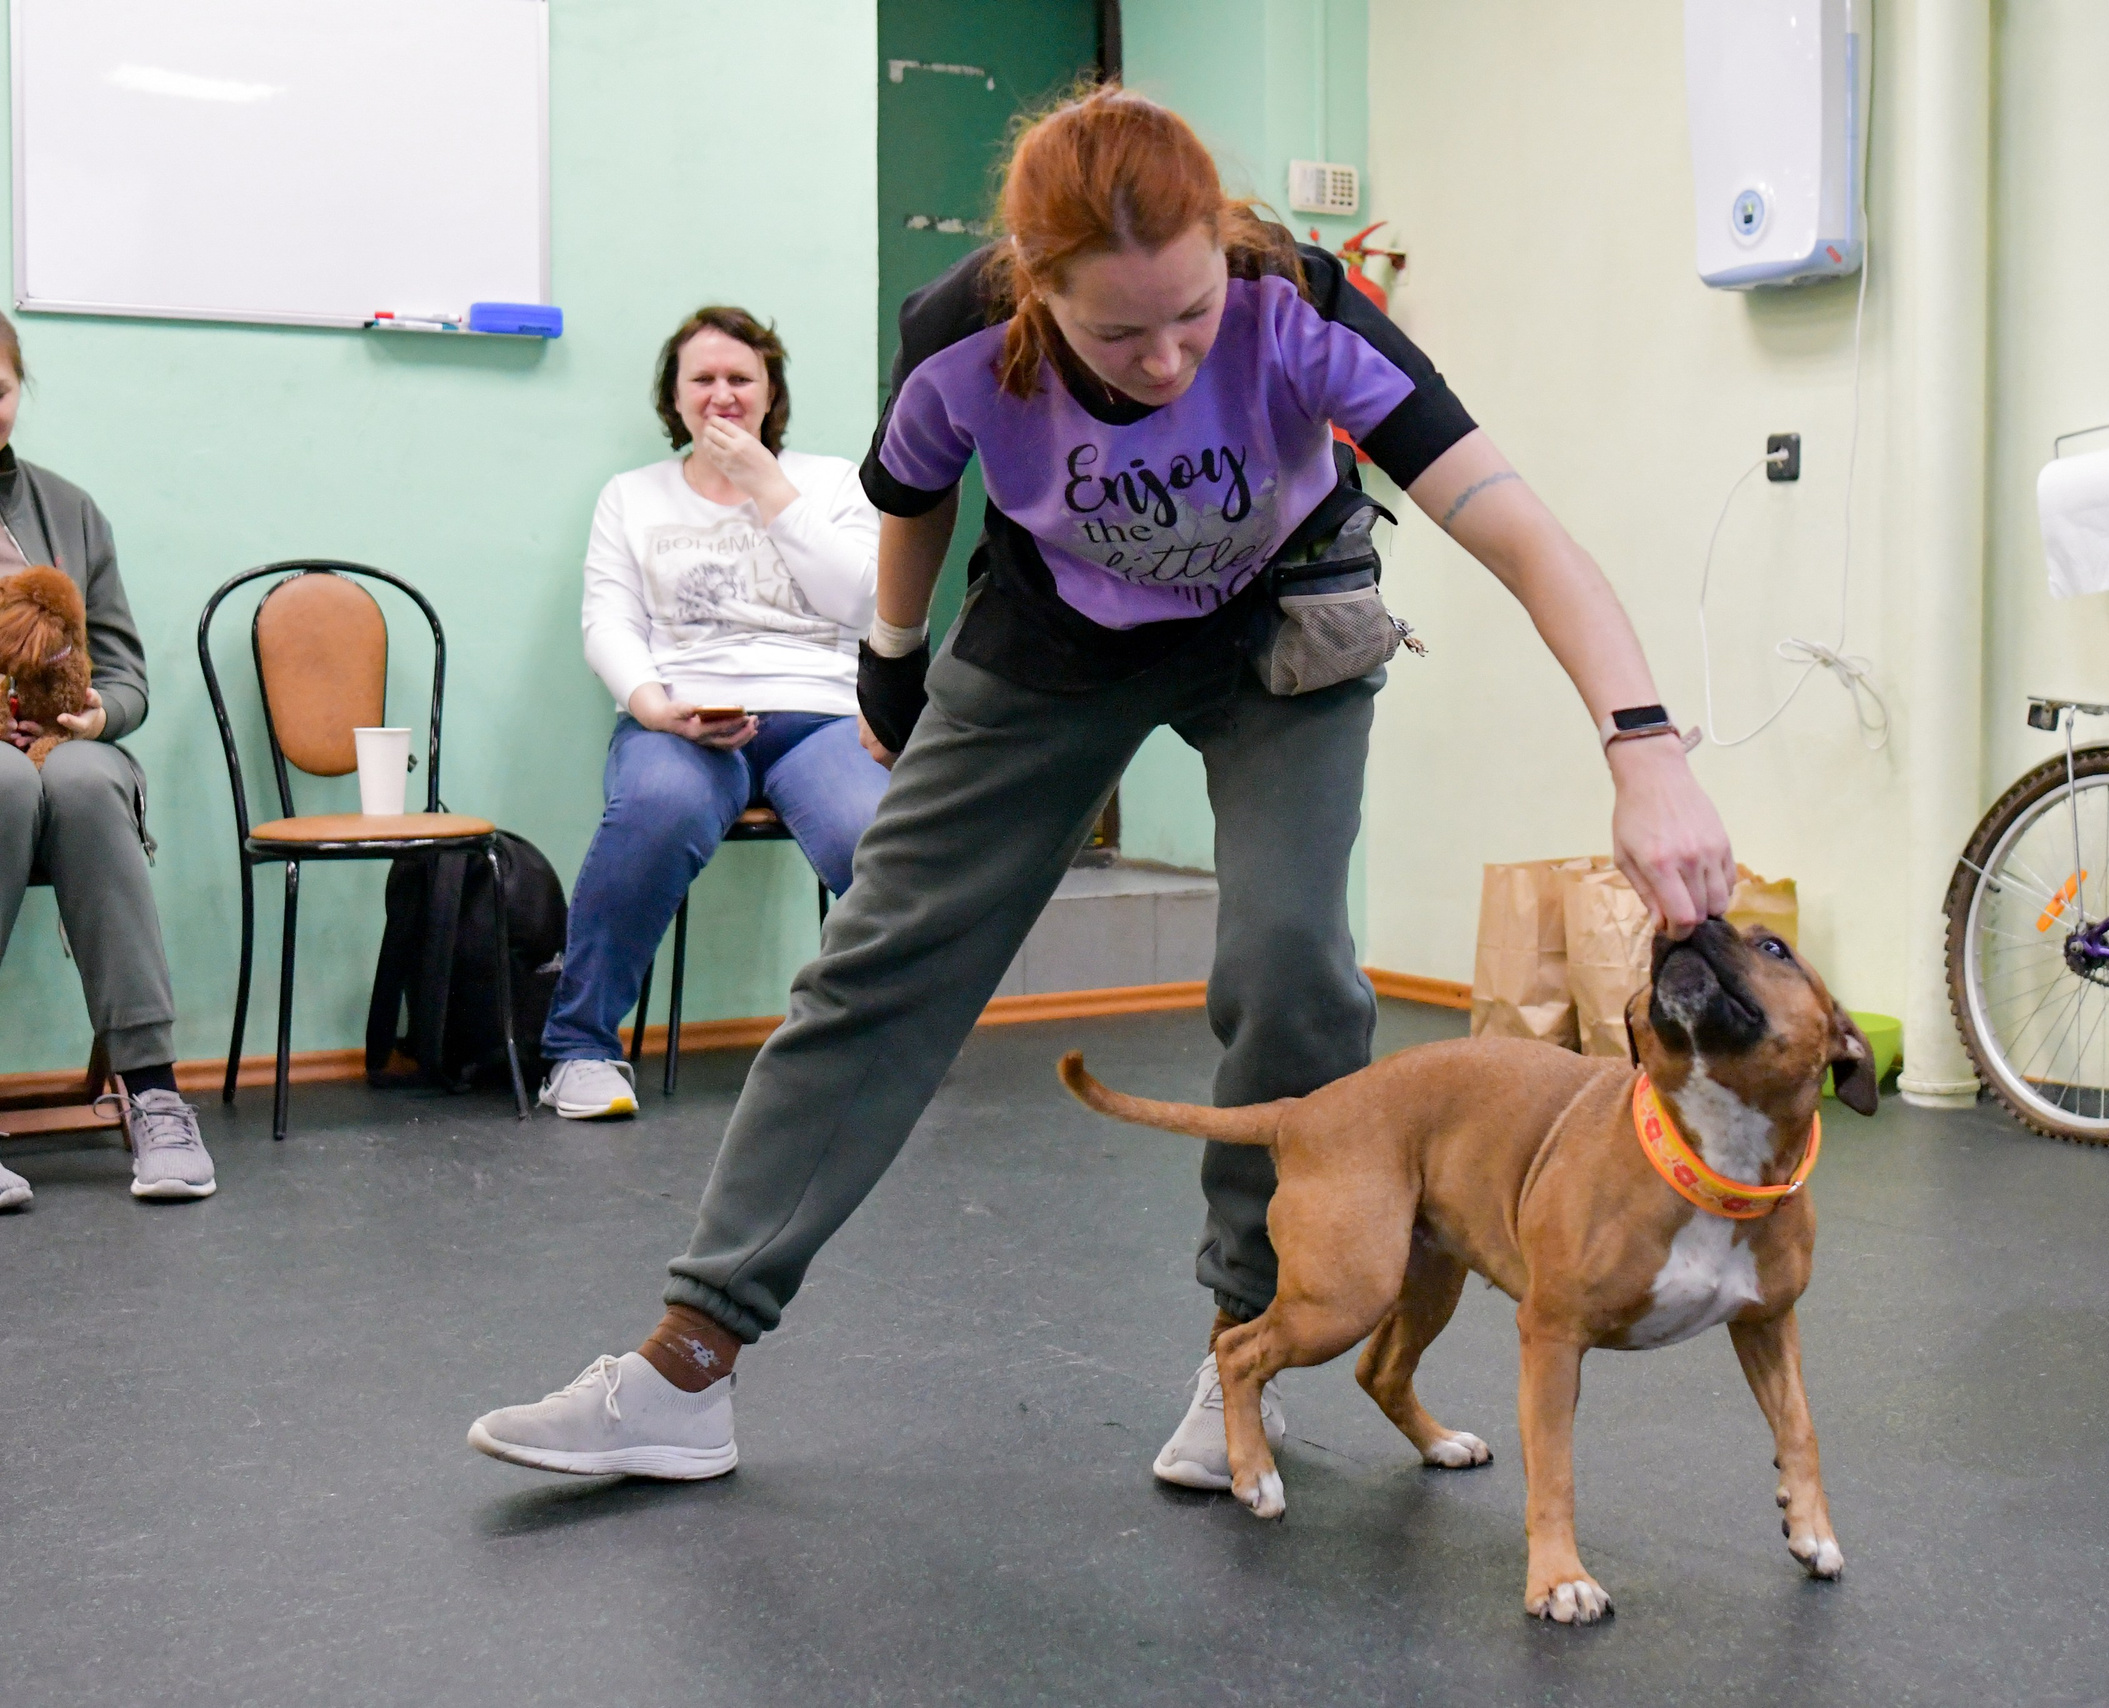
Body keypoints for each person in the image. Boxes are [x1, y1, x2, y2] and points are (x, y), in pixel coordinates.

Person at [469, 89, 1732, 1485]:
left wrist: (1647, 751)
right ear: (1035, 288)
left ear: (1221, 250)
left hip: (1283, 631)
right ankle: (684, 1370)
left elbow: (1522, 531)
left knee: (1295, 967)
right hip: (1052, 644)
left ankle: (1243, 1357)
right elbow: (914, 495)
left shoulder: (1297, 305)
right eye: (1118, 334)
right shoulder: (960, 337)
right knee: (881, 957)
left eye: (1190, 312)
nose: (1170, 358)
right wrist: (893, 656)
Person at [535, 306, 890, 1120]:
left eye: (741, 378)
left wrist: (769, 488)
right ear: (676, 397)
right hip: (682, 716)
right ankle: (580, 1048)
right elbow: (609, 620)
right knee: (657, 808)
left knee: (874, 835)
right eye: (704, 378)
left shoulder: (833, 482)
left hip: (821, 715)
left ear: (770, 393)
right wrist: (654, 707)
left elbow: (864, 601)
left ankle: (875, 1046)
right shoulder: (632, 497)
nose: (722, 394)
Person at [0, 311, 216, 1208]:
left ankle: (154, 1089)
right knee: (5, 782)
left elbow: (126, 679)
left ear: (19, 392)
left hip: (71, 750)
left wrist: (95, 717)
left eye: (0, 390)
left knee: (87, 784)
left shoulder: (70, 510)